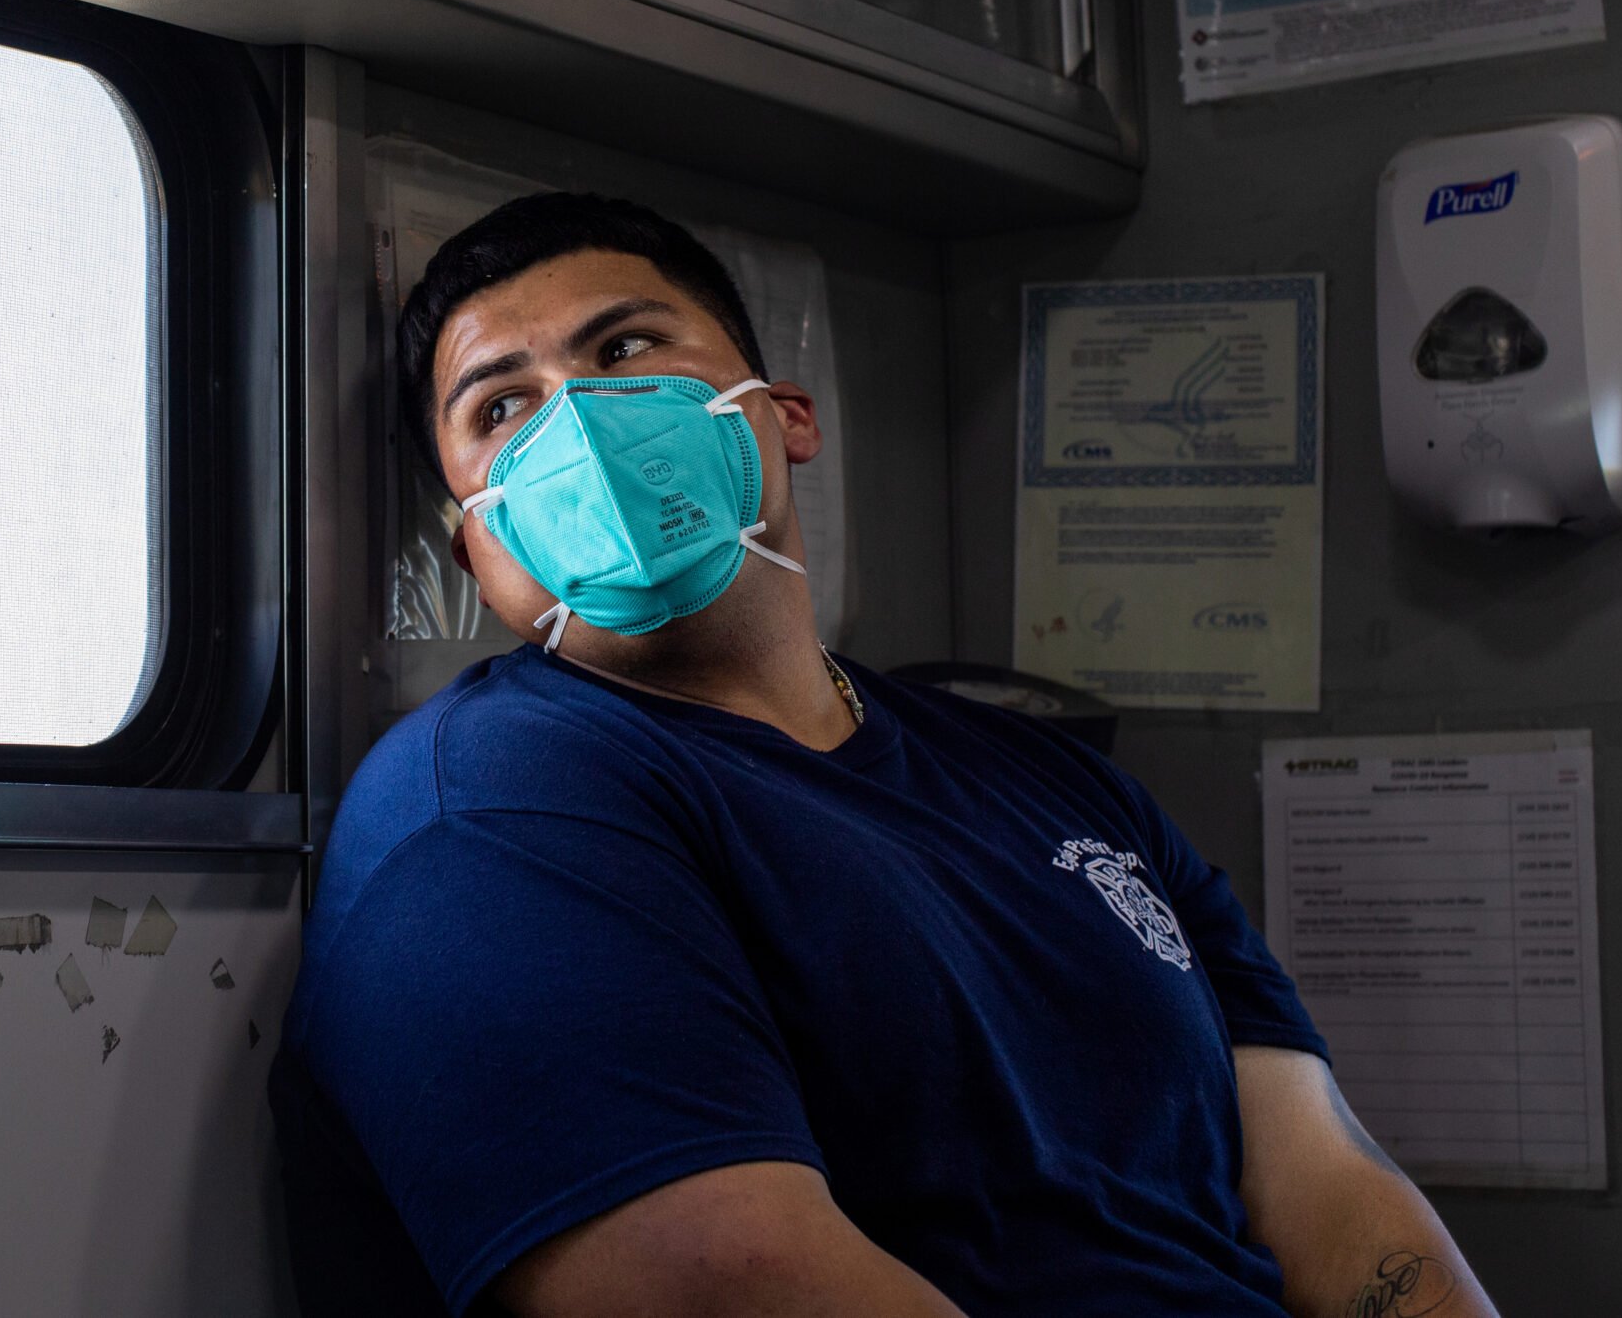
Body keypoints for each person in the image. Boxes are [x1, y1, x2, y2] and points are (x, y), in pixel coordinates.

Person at [270, 193, 1495, 1318]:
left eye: (626, 348)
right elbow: (734, 1283)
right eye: (502, 406)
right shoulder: (492, 813)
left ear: (783, 418)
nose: (579, 421)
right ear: (473, 547)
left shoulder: (1053, 784)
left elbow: (1328, 1180)